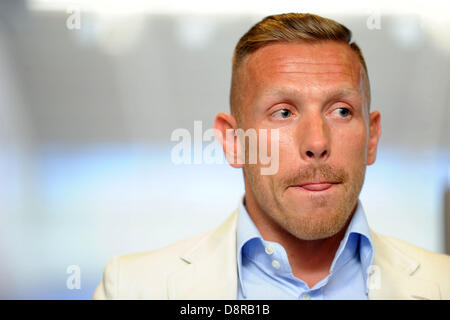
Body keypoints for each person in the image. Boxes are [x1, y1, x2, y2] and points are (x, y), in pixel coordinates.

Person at [93, 13, 450, 300]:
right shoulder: (132, 289)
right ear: (234, 142)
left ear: (372, 138)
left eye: (341, 111)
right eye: (283, 113)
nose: (316, 142)